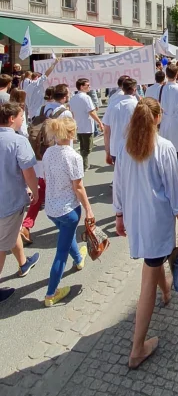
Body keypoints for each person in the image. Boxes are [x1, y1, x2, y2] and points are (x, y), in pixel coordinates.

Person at [113, 98, 178, 368]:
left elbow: (119, 184)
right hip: (156, 219)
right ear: (158, 118)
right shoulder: (164, 147)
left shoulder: (126, 147)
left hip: (137, 218)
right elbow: (174, 189)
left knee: (155, 257)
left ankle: (167, 291)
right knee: (148, 275)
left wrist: (119, 214)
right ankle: (137, 348)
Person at [42, 117, 94, 306]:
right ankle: (50, 293)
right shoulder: (73, 157)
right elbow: (78, 187)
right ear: (72, 134)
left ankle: (79, 259)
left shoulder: (48, 153)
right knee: (61, 252)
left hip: (51, 208)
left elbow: (47, 179)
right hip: (68, 209)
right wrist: (89, 209)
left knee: (67, 235)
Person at [21, 84, 73, 245]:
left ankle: (27, 225)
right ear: (64, 97)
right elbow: (68, 138)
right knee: (67, 190)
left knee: (41, 191)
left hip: (40, 157)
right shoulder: (65, 112)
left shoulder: (41, 110)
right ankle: (64, 225)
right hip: (57, 157)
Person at [0, 103, 40, 302]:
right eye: (21, 116)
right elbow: (29, 172)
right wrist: (35, 192)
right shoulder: (18, 141)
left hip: (7, 203)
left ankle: (23, 262)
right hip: (8, 202)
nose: (23, 119)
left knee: (11, 231)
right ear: (11, 119)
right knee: (1, 246)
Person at [69, 78, 104, 170]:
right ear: (81, 87)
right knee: (87, 148)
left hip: (79, 126)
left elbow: (71, 113)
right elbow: (91, 112)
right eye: (87, 85)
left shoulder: (73, 98)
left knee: (83, 147)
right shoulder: (86, 97)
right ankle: (83, 165)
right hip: (87, 126)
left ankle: (84, 163)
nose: (89, 87)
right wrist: (99, 122)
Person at [104, 78, 139, 165]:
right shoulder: (137, 106)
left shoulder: (112, 105)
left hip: (116, 149)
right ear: (134, 89)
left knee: (120, 177)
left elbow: (106, 131)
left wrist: (108, 151)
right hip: (133, 148)